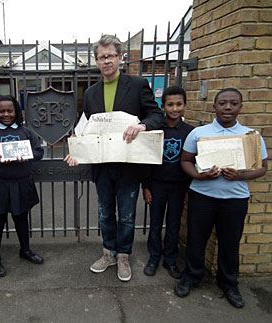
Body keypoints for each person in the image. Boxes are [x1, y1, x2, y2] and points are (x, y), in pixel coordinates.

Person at [65, 34, 163, 282]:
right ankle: (108, 252)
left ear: (120, 58)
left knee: (128, 214)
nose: (106, 61)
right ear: (96, 61)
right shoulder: (90, 93)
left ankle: (123, 256)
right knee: (105, 213)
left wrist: (142, 126)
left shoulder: (138, 84)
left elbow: (156, 115)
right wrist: (75, 150)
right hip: (102, 164)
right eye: (101, 57)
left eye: (110, 56)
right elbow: (85, 127)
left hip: (129, 163)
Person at [174, 88, 268, 308]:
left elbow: (262, 168)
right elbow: (185, 160)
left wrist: (241, 175)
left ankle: (228, 283)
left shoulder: (250, 135)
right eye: (223, 103)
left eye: (233, 103)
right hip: (203, 196)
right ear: (214, 106)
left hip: (235, 199)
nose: (228, 107)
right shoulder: (200, 133)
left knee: (229, 243)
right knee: (196, 240)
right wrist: (199, 175)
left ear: (240, 107)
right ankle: (192, 276)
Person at [0, 95, 44, 278]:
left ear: (16, 111)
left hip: (21, 183)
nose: (6, 114)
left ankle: (25, 250)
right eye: (1, 111)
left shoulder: (26, 132)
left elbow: (40, 152)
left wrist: (28, 154)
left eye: (10, 110)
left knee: (21, 219)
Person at [142, 86, 194, 279]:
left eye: (179, 104)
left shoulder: (190, 132)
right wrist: (145, 187)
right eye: (170, 104)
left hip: (179, 186)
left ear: (185, 106)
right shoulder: (155, 129)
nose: (174, 109)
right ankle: (154, 257)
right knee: (155, 223)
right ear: (163, 106)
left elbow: (193, 161)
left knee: (173, 224)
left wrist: (189, 188)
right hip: (156, 185)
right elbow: (146, 160)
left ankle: (170, 259)